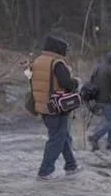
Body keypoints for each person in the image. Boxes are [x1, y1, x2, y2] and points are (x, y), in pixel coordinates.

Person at [31, 35, 81, 180]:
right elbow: (68, 84)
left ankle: (71, 165)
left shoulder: (38, 61)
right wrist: (76, 82)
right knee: (56, 139)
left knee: (62, 135)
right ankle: (45, 171)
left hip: (43, 105)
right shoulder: (57, 63)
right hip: (57, 107)